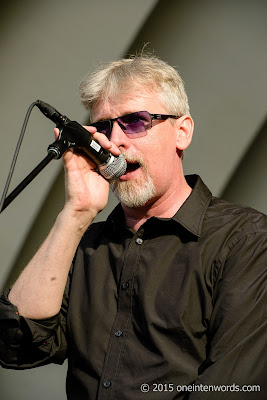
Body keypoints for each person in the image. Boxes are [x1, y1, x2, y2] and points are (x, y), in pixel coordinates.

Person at [0, 54, 266, 400]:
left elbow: (233, 386)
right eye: (105, 126)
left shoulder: (244, 241)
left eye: (135, 121)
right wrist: (76, 213)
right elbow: (16, 345)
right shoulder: (87, 244)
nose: (117, 141)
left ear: (182, 132)